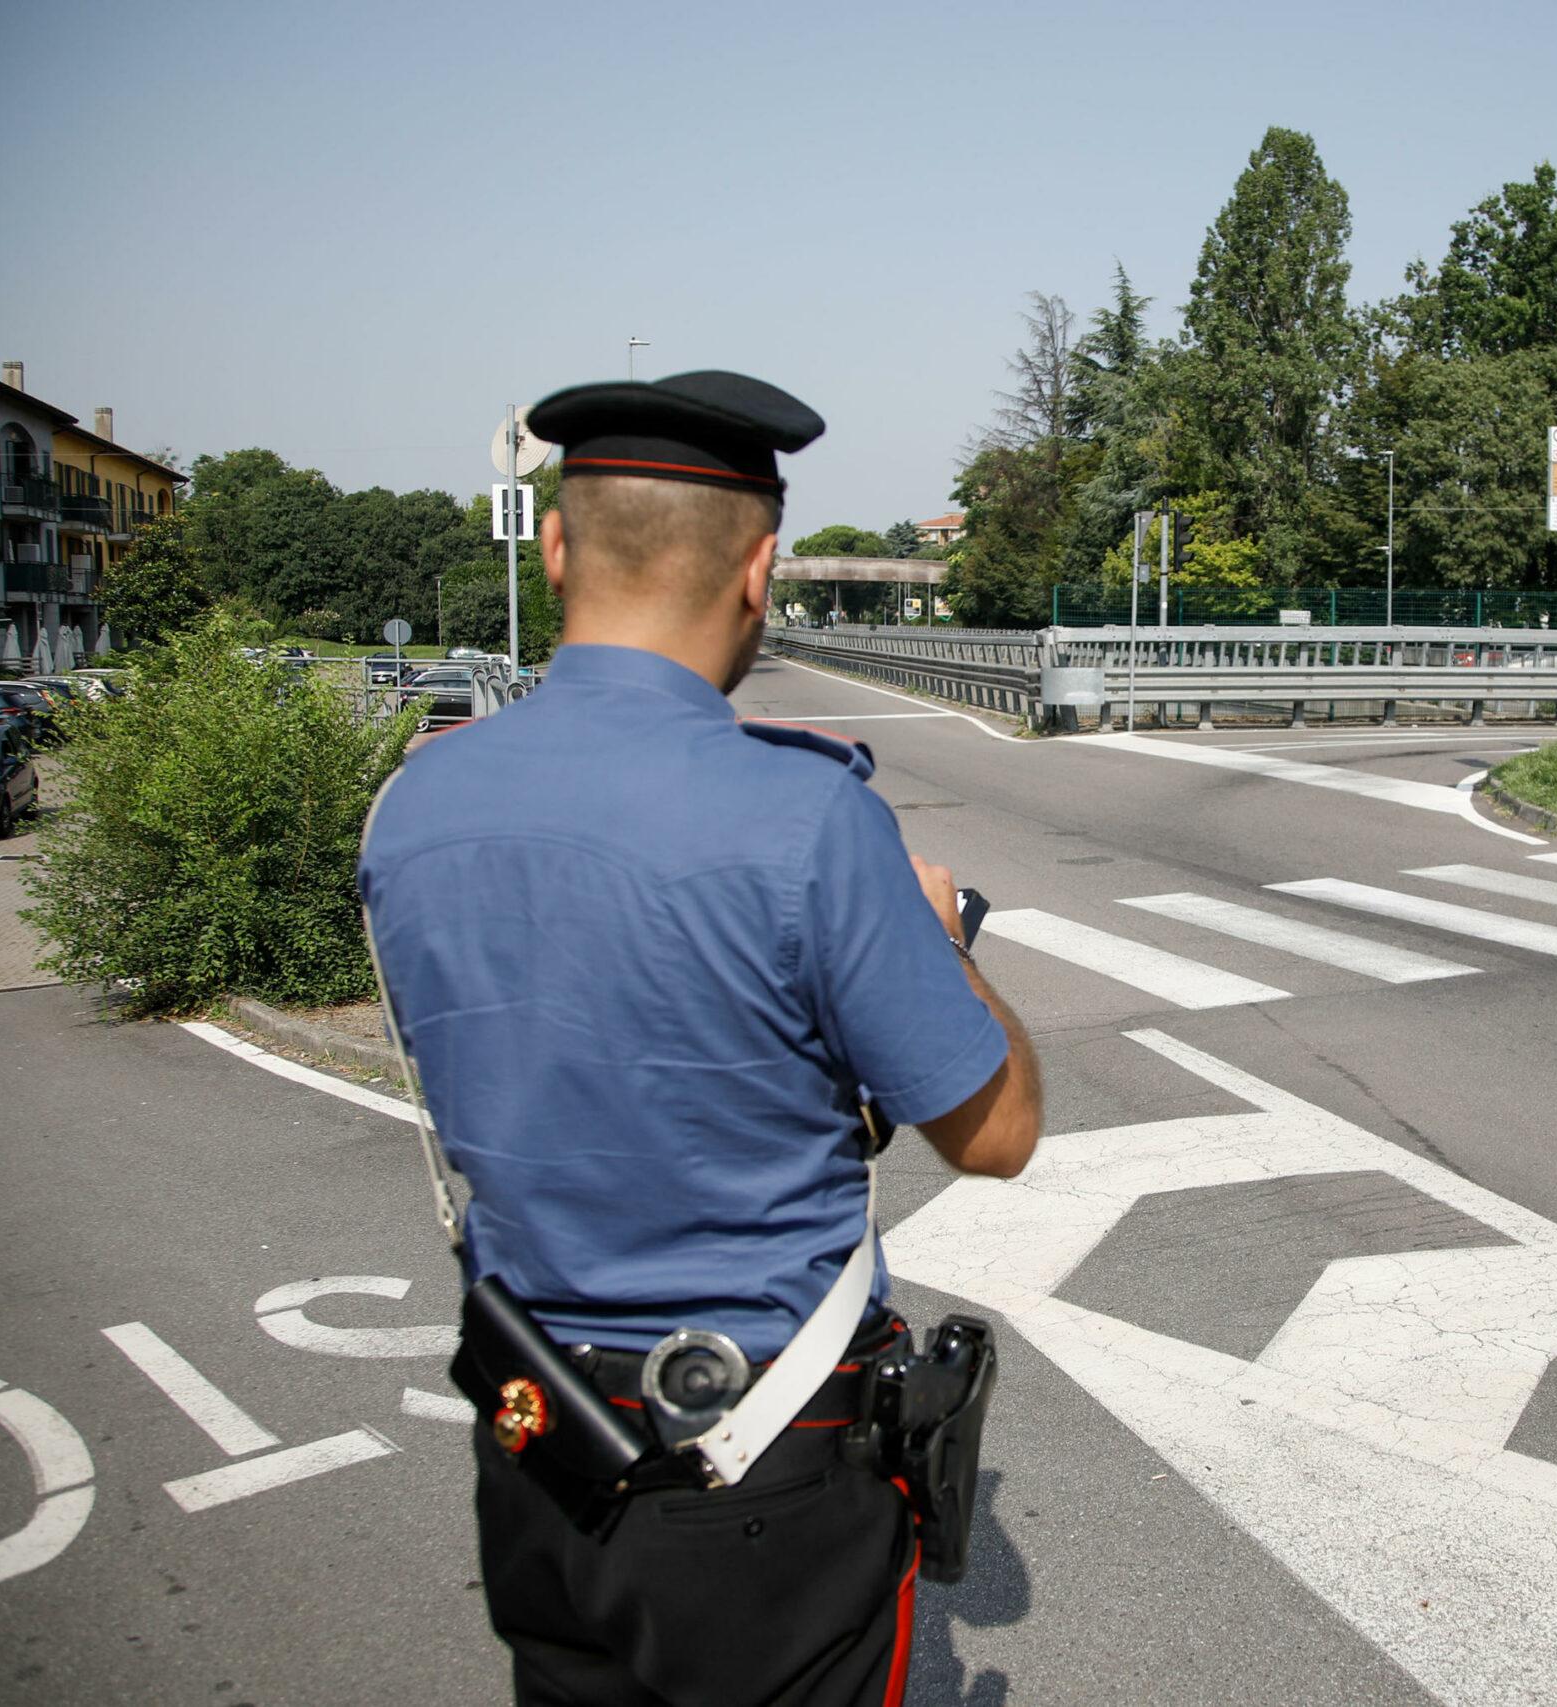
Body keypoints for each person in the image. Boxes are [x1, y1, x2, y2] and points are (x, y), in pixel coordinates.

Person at [359, 369, 1044, 1707]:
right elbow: (999, 1129)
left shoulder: (411, 805)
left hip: (536, 1441)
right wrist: (942, 937)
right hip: (762, 1463)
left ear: (556, 546)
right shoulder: (804, 819)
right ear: (762, 571)